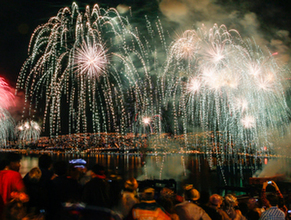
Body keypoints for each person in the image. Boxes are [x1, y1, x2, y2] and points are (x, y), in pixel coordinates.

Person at [0, 153, 27, 218]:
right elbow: (23, 194)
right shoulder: (15, 175)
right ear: (11, 163)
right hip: (9, 214)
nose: (19, 165)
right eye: (18, 162)